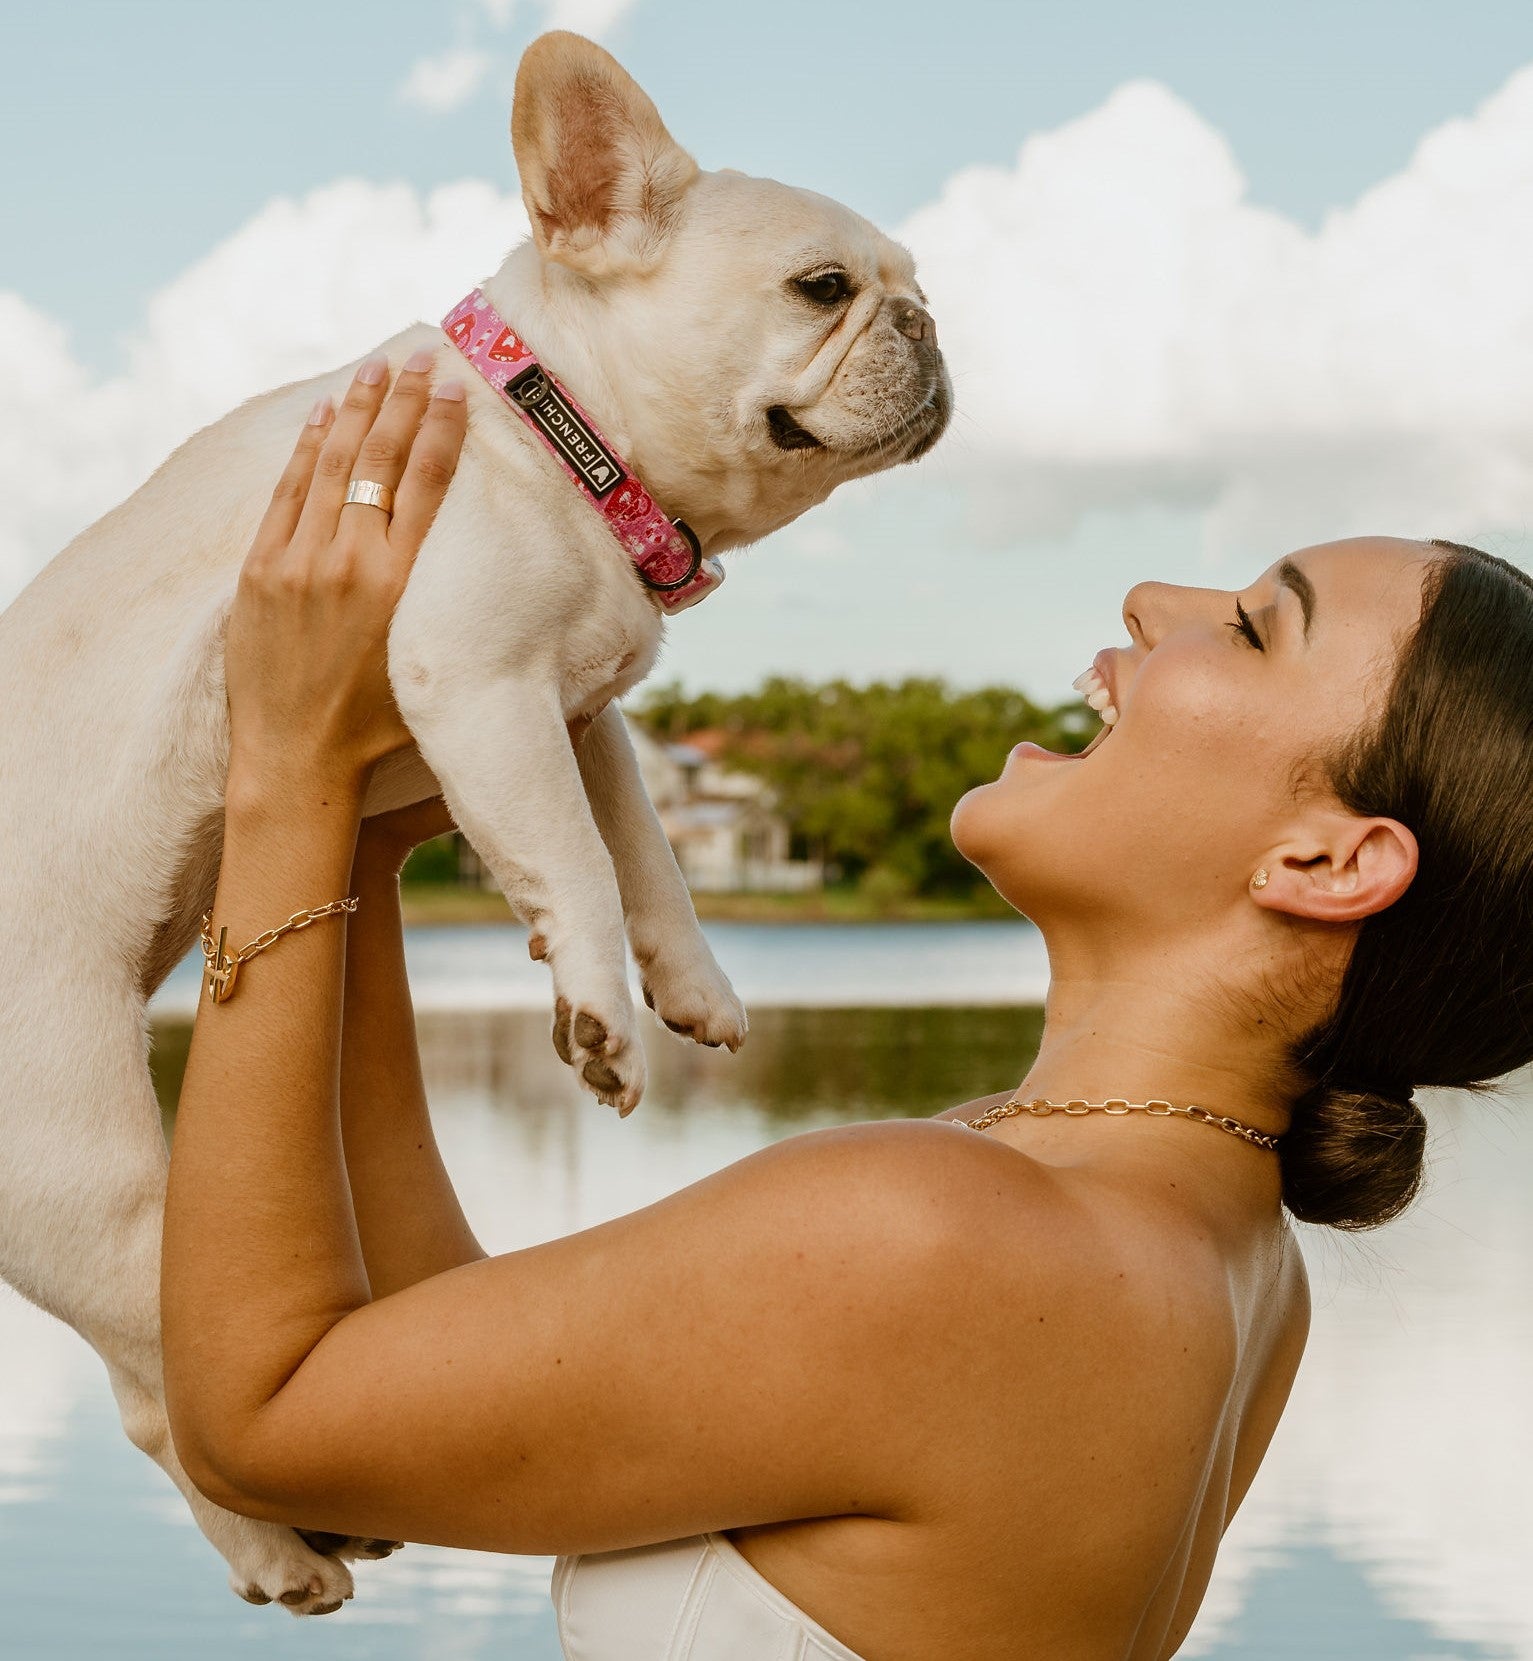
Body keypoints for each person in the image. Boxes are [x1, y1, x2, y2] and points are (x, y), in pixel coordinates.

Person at [160, 354, 1533, 1661]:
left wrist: (283, 769)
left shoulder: (946, 1232)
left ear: (1328, 862)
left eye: (1246, 625)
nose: (1145, 593)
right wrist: (364, 849)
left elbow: (263, 1421)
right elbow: (419, 1376)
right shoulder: (1210, 1254)